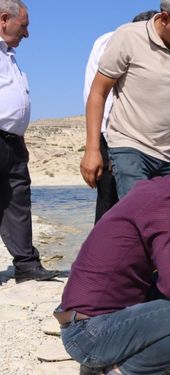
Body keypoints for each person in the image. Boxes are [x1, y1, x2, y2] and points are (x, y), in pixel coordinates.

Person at [56, 141, 170, 375]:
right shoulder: (166, 206)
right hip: (89, 335)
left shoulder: (157, 191)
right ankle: (124, 371)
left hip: (82, 325)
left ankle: (105, 364)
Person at [80, 0, 170, 199]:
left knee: (166, 219)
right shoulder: (128, 36)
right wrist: (92, 149)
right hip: (129, 146)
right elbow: (98, 92)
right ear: (165, 18)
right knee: (140, 214)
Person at [0, 0, 61, 283]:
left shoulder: (9, 56)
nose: (27, 34)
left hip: (13, 142)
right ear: (3, 19)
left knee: (18, 201)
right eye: (23, 26)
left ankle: (26, 265)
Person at [83, 10, 157, 223]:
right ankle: (102, 255)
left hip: (141, 139)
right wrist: (95, 148)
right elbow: (97, 94)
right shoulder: (110, 44)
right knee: (111, 205)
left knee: (143, 206)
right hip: (113, 135)